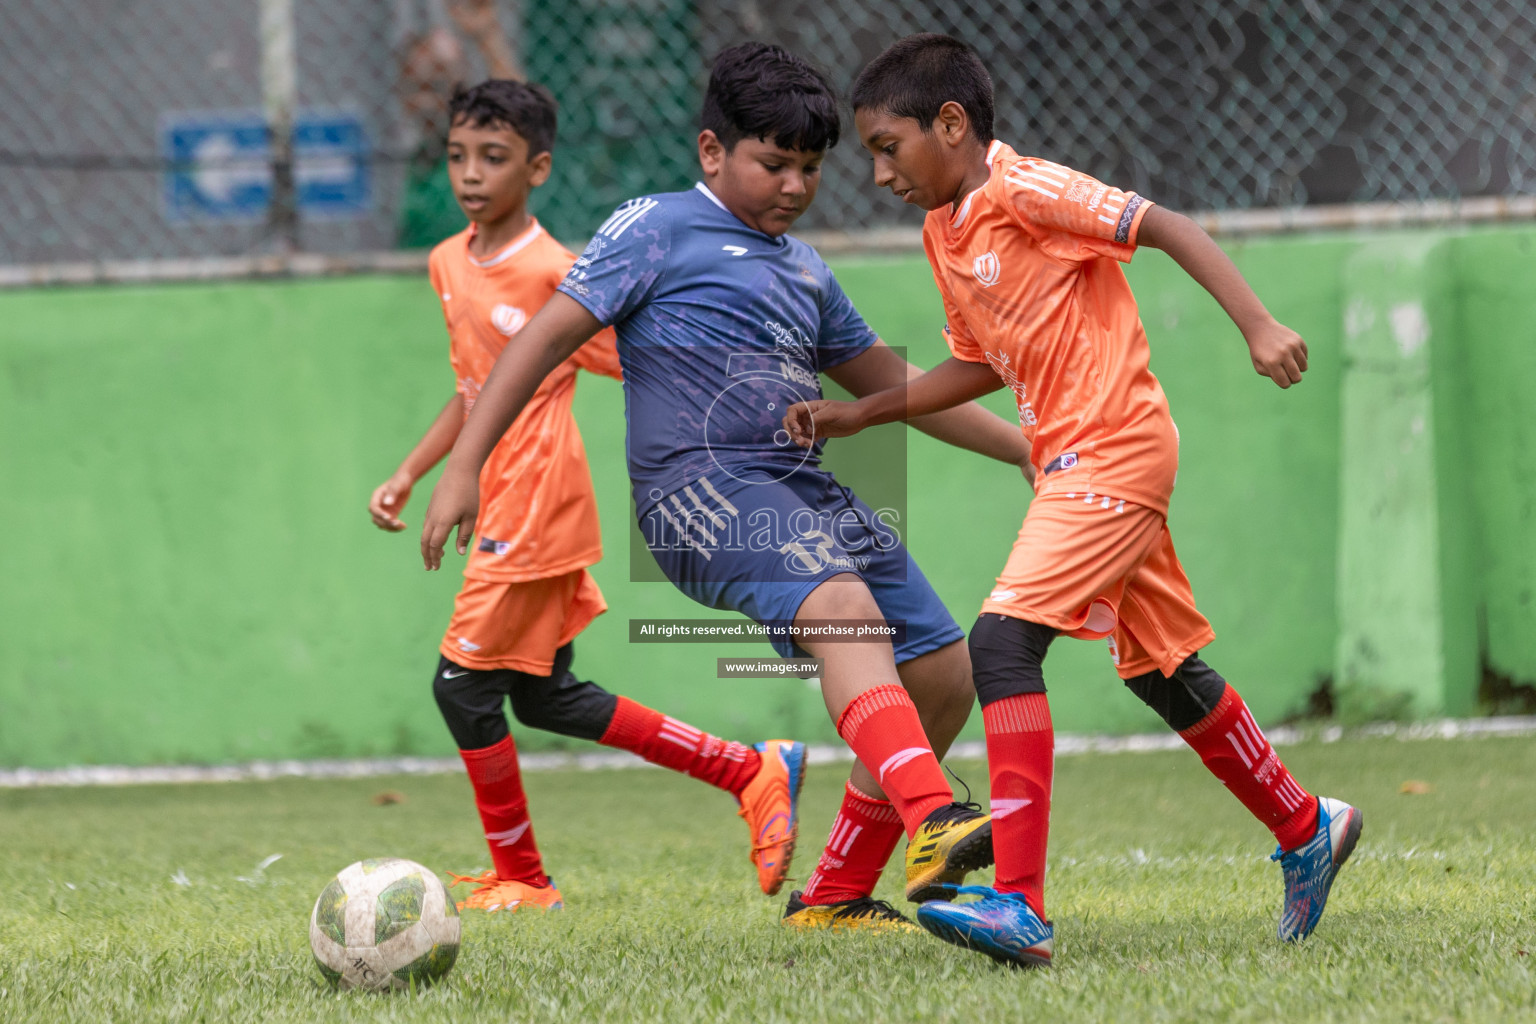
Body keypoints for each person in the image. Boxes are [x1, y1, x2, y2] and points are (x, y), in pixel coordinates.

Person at [418, 44, 1039, 931]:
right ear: (713, 153)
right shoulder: (654, 229)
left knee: (943, 670)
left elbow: (887, 384)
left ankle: (833, 898)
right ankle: (934, 815)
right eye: (772, 162)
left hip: (801, 491)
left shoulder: (805, 271)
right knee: (844, 608)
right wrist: (464, 465)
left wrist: (1018, 445)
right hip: (696, 494)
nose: (793, 185)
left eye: (812, 168)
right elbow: (541, 341)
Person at [783, 33, 1362, 966]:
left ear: (953, 123)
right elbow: (978, 362)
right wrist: (867, 414)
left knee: (1003, 642)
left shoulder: (1026, 189)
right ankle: (1307, 826)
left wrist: (1259, 324)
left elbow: (1165, 225)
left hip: (1115, 452)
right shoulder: (946, 230)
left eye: (888, 147)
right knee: (1159, 669)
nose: (880, 173)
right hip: (1072, 464)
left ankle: (1019, 903)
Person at [371, 78, 805, 914]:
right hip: (498, 498)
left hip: (538, 502)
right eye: (458, 156)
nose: (470, 173)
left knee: (460, 688)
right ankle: (746, 769)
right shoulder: (446, 261)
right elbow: (475, 388)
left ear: (536, 169)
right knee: (540, 694)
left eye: (492, 158)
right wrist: (414, 471)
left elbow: (644, 355)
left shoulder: (556, 272)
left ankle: (526, 880)